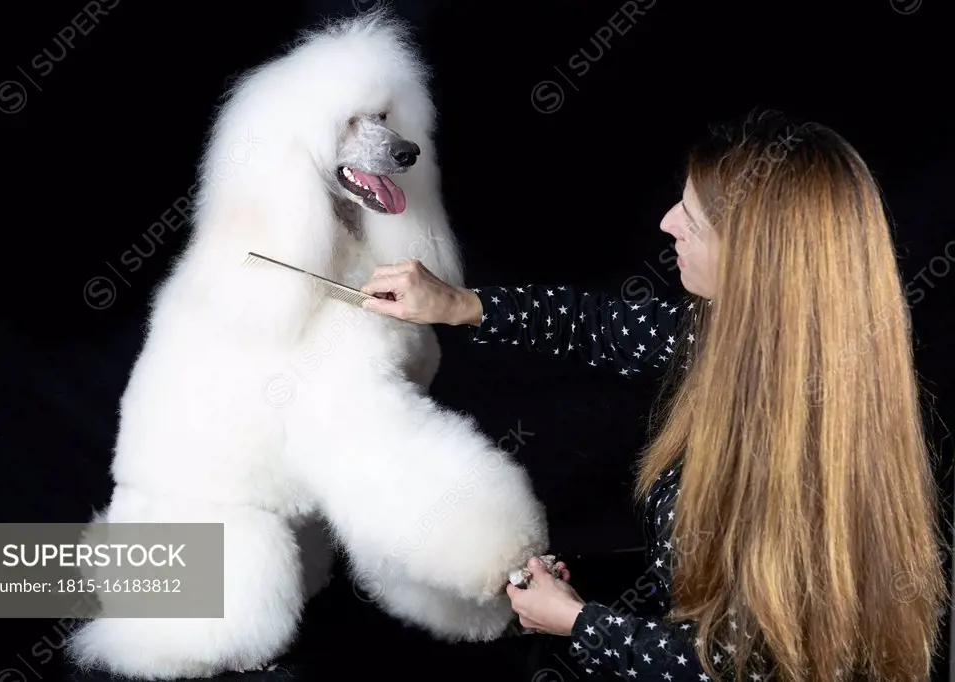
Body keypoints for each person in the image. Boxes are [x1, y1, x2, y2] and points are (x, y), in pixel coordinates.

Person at [358, 110, 949, 682]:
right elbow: (594, 324)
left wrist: (580, 623)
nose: (668, 223)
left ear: (756, 255)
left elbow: (737, 667)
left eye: (693, 219)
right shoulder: (735, 338)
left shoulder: (799, 451)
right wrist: (460, 305)